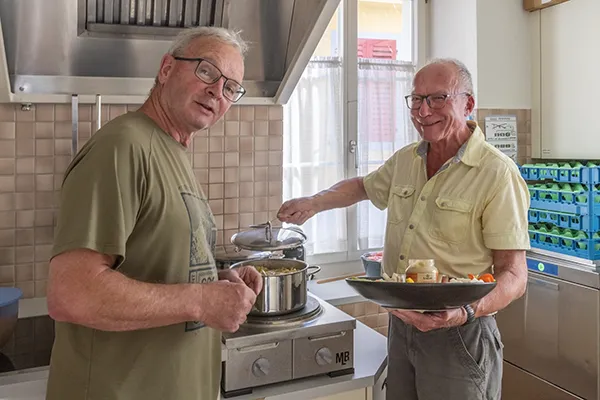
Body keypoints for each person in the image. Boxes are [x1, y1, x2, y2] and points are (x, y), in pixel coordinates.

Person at [277, 58, 530, 400]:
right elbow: (364, 186)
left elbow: (514, 275)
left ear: (468, 104)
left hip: (461, 333)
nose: (423, 111)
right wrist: (314, 202)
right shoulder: (407, 159)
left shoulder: (497, 173)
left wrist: (463, 312)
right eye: (417, 99)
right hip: (402, 325)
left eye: (438, 98)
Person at [45, 26, 263, 400]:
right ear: (166, 69)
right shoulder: (123, 145)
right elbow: (71, 292)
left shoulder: (172, 152)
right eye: (207, 71)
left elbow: (155, 266)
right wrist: (201, 300)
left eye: (230, 88)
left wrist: (215, 280)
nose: (217, 91)